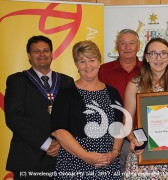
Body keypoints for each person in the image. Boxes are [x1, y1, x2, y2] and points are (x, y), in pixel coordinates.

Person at [123, 37, 168, 179]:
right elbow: (127, 123)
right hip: (144, 156)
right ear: (147, 58)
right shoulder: (134, 85)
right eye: (153, 53)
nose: (158, 58)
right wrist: (134, 140)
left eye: (163, 53)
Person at [51, 40, 123, 179]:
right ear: (76, 64)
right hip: (74, 165)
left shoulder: (113, 92)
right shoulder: (66, 93)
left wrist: (115, 152)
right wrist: (86, 156)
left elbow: (119, 126)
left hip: (107, 165)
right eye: (82, 61)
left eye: (92, 60)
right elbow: (59, 131)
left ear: (99, 62)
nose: (88, 66)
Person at [4, 35, 73, 179]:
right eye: (36, 51)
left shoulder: (67, 81)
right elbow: (13, 118)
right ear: (29, 56)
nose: (42, 55)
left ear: (52, 54)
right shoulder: (17, 80)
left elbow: (73, 117)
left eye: (46, 50)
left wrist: (61, 142)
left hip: (62, 158)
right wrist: (46, 143)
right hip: (28, 158)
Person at [98, 29, 142, 176]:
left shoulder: (147, 70)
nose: (127, 47)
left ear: (138, 46)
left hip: (140, 136)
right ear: (117, 46)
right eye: (123, 43)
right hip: (110, 137)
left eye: (131, 43)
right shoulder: (103, 70)